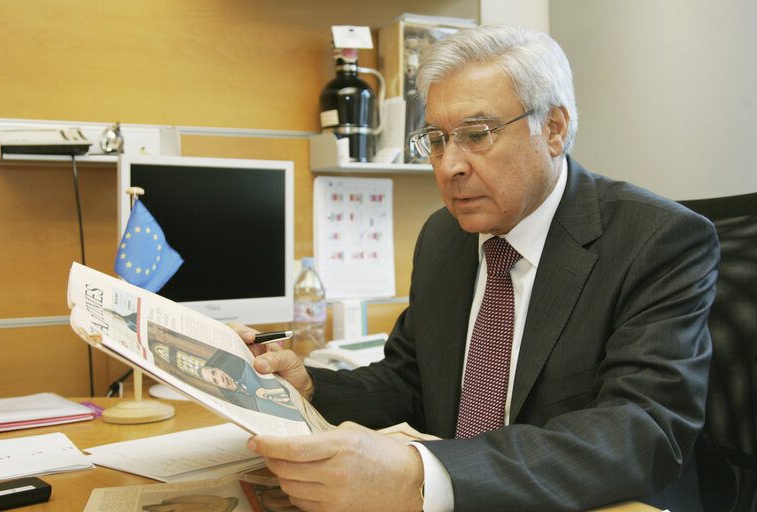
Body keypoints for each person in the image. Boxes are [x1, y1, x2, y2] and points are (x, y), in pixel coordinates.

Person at [235, 24, 719, 512]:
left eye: (476, 135)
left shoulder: (657, 240)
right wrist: (311, 386)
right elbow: (409, 382)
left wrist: (424, 474)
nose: (449, 167)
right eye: (437, 140)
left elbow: (640, 432)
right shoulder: (444, 236)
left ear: (552, 129)